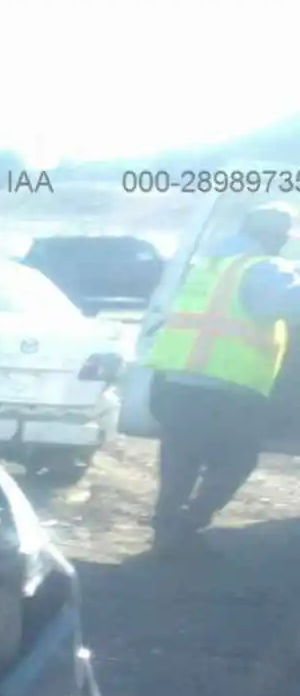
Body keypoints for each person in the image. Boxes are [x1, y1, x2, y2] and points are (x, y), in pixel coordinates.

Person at [143, 203, 300, 548]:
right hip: (227, 388)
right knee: (236, 460)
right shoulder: (263, 269)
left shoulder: (209, 264)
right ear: (274, 237)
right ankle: (192, 519)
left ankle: (166, 521)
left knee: (180, 458)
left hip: (178, 381)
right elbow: (289, 305)